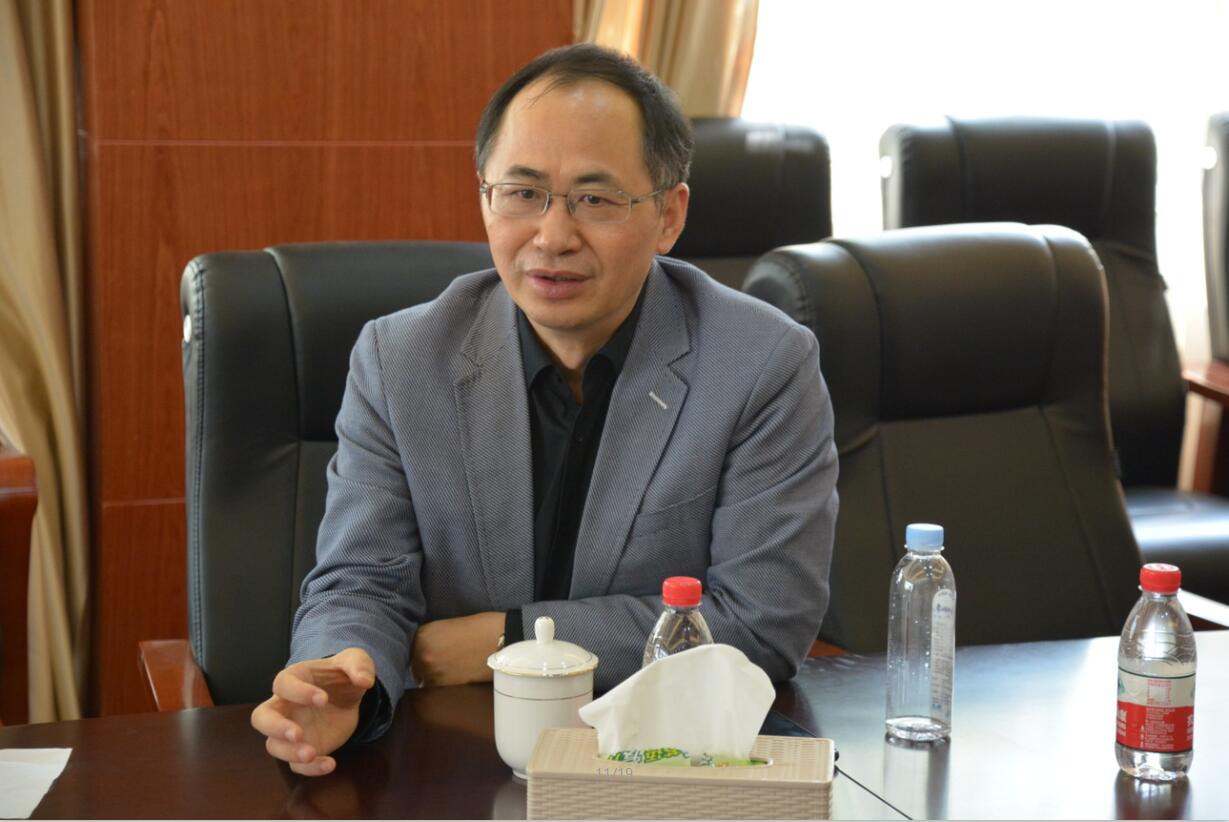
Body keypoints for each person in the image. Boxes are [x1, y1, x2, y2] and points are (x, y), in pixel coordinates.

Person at [250, 43, 838, 776]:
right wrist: (343, 676)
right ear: (485, 197)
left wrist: (505, 639)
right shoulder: (400, 361)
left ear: (668, 216)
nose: (552, 237)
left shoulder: (760, 364)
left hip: (659, 770)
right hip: (453, 765)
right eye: (522, 193)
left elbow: (760, 618)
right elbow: (361, 580)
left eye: (595, 199)